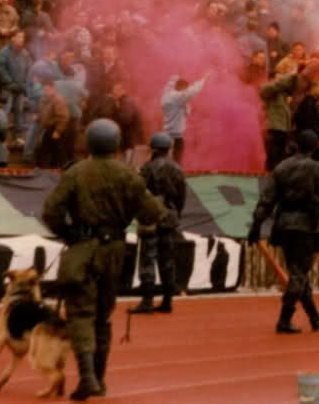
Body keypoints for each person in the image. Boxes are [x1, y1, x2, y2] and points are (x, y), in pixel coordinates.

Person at [41, 119, 166, 400]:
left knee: (80, 313)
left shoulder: (75, 173)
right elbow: (152, 213)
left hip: (82, 250)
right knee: (103, 316)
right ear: (117, 144)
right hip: (114, 253)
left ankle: (87, 377)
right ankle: (99, 378)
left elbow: (51, 211)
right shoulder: (128, 175)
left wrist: (68, 233)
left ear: (89, 142)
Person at [248, 128, 319, 333]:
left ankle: (314, 316)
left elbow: (266, 200)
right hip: (305, 227)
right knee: (299, 274)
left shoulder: (281, 167)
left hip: (284, 226)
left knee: (298, 271)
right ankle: (284, 319)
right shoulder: (315, 168)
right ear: (314, 147)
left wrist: (256, 226)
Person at [133, 132, 187, 315]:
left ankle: (147, 301)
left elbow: (139, 193)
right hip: (169, 219)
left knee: (147, 259)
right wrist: (175, 214)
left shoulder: (147, 168)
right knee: (167, 261)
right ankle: (167, 300)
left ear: (153, 149)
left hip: (151, 219)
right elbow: (181, 198)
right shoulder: (177, 169)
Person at [161, 73, 207, 163]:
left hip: (167, 134)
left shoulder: (166, 96)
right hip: (175, 136)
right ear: (182, 88)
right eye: (185, 89)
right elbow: (192, 91)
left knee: (166, 159)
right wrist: (204, 79)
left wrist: (175, 77)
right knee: (175, 161)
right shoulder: (178, 97)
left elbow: (170, 86)